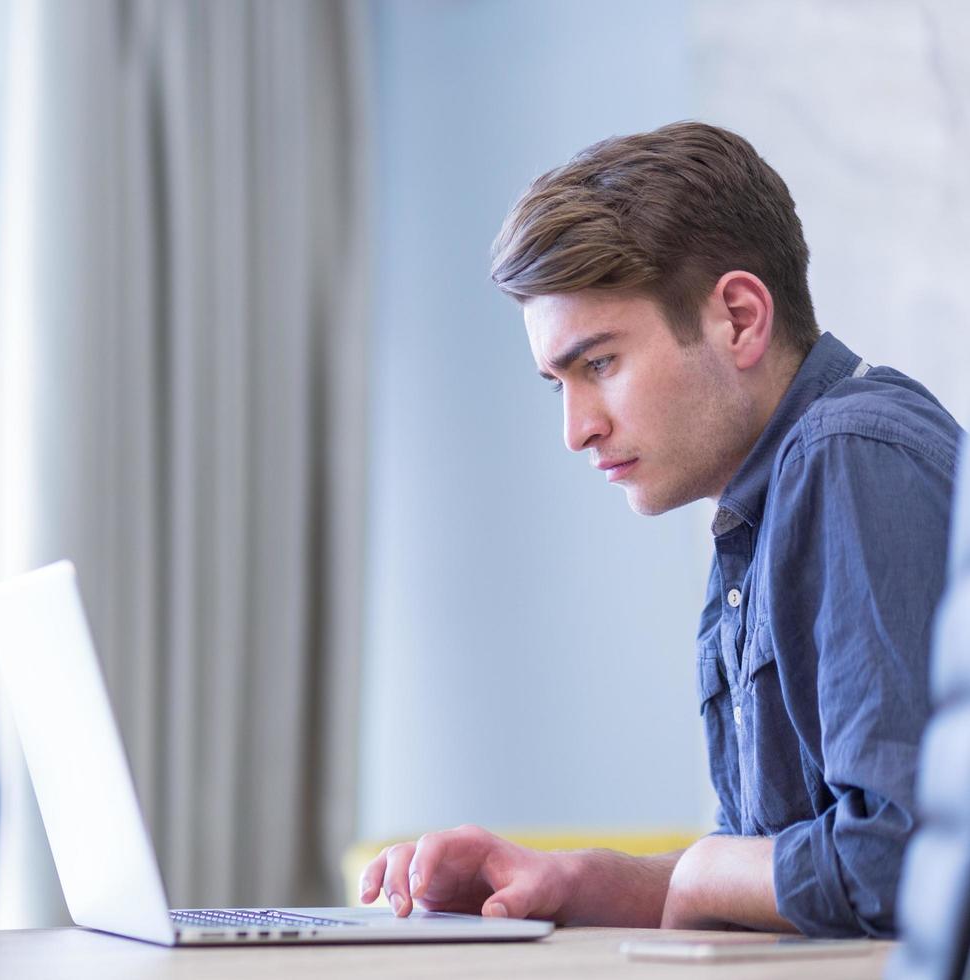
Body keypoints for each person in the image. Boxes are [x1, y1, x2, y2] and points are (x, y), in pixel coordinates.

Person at [359, 121, 964, 938]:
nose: (576, 429)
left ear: (740, 319)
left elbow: (908, 865)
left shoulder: (851, 455)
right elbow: (784, 870)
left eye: (599, 363)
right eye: (556, 384)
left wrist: (712, 868)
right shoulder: (765, 501)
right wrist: (581, 880)